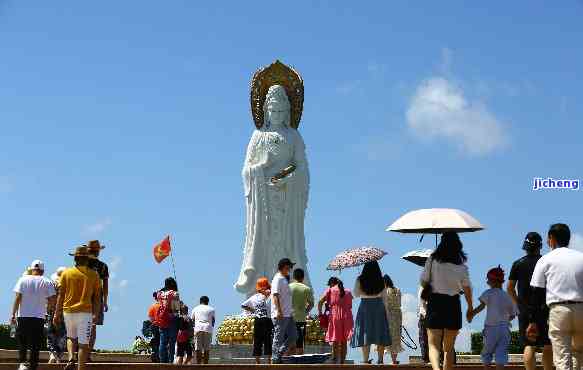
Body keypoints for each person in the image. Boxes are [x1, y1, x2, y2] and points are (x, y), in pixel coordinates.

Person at [528, 223, 583, 370]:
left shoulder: (545, 260)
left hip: (559, 310)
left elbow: (536, 293)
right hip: (581, 309)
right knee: (579, 354)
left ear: (551, 239)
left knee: (562, 358)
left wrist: (533, 321)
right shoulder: (581, 257)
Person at [420, 232, 473, 370]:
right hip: (453, 304)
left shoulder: (432, 260)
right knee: (448, 349)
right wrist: (470, 307)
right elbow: (467, 289)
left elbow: (423, 280)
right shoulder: (462, 266)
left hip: (435, 302)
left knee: (433, 345)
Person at [507, 232, 553, 370]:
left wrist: (518, 303)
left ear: (525, 247)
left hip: (525, 309)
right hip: (544, 307)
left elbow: (510, 288)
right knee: (547, 344)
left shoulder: (517, 264)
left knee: (528, 344)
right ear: (540, 246)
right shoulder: (546, 262)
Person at [53, 246, 101, 370]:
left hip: (68, 311)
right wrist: (95, 314)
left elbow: (61, 295)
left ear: (75, 258)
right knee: (83, 344)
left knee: (71, 337)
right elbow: (97, 297)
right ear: (87, 259)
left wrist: (56, 314)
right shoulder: (94, 275)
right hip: (85, 312)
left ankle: (70, 358)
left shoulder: (66, 273)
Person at [468, 266, 517, 370]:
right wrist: (506, 319)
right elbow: (513, 314)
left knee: (487, 351)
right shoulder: (507, 296)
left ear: (492, 281)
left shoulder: (488, 293)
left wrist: (471, 314)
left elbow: (481, 307)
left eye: (488, 280)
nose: (487, 282)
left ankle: (487, 367)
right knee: (501, 352)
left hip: (491, 328)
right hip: (504, 328)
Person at [11, 260, 56, 370]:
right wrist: (48, 310)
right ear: (43, 270)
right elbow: (52, 299)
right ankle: (33, 366)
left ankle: (22, 363)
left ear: (32, 269)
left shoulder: (23, 279)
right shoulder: (47, 281)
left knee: (23, 341)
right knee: (35, 344)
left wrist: (13, 313)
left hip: (23, 316)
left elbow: (17, 298)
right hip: (39, 317)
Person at [351, 261, 391, 364]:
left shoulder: (360, 279)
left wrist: (360, 284)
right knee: (380, 332)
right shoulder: (381, 280)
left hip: (365, 306)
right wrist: (387, 313)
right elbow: (385, 297)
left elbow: (355, 294)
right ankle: (380, 359)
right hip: (378, 306)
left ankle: (365, 359)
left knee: (365, 332)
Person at [318, 277, 353, 364]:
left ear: (332, 284)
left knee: (335, 339)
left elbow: (320, 301)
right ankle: (342, 362)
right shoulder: (348, 291)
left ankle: (334, 360)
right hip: (347, 317)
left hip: (335, 316)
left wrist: (320, 313)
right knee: (344, 341)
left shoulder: (331, 290)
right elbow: (350, 306)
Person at [270, 258, 297, 364]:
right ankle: (275, 358)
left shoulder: (284, 279)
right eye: (288, 267)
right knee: (278, 336)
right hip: (280, 314)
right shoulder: (278, 279)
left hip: (288, 314)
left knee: (294, 335)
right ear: (283, 267)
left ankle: (279, 353)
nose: (290, 269)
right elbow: (275, 295)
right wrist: (279, 311)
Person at [242, 277, 273, 364]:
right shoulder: (270, 295)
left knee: (257, 340)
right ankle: (269, 361)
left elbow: (243, 305)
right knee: (268, 340)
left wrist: (253, 310)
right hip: (267, 320)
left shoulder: (254, 297)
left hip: (258, 320)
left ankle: (257, 362)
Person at [87, 240, 109, 357]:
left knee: (79, 327)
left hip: (82, 297)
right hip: (96, 298)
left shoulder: (81, 264)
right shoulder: (103, 266)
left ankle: (78, 354)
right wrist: (105, 301)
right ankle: (88, 354)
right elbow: (105, 286)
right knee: (93, 327)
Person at [289, 268, 314, 355]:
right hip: (301, 319)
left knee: (289, 343)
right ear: (303, 277)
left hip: (289, 318)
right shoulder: (306, 288)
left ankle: (288, 364)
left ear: (294, 277)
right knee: (300, 344)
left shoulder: (289, 287)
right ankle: (299, 364)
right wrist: (306, 312)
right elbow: (311, 304)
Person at [155, 277, 180, 364]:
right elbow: (176, 308)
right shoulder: (175, 294)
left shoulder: (160, 294)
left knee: (163, 342)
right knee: (172, 341)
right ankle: (170, 361)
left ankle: (162, 361)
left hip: (162, 319)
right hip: (172, 319)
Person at [48, 267, 67, 364]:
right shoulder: (68, 285)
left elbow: (49, 299)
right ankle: (59, 357)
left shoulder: (52, 284)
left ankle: (52, 354)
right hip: (65, 311)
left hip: (52, 310)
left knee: (51, 334)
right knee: (62, 335)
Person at [383, 274, 403, 365]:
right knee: (396, 337)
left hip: (388, 315)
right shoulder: (397, 290)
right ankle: (394, 360)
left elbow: (385, 305)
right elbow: (399, 304)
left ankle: (381, 359)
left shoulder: (385, 291)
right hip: (397, 315)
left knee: (387, 337)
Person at [192, 295, 215, 364]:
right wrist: (210, 327)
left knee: (198, 348)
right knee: (206, 349)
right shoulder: (211, 309)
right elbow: (213, 320)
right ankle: (205, 365)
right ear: (207, 302)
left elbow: (192, 320)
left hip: (198, 328)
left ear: (200, 301)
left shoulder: (195, 308)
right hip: (207, 328)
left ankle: (198, 365)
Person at [146, 291, 161, 363]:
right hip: (162, 326)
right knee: (162, 342)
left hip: (154, 326)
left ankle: (154, 354)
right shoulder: (163, 306)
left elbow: (150, 318)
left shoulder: (152, 306)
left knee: (155, 341)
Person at [418, 285, 430, 363]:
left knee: (424, 339)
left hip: (426, 315)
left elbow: (423, 302)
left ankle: (425, 358)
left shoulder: (423, 287)